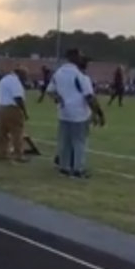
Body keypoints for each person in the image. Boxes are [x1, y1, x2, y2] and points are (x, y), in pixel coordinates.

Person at [47, 49, 105, 178]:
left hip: (63, 113)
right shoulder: (80, 75)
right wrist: (99, 113)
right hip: (79, 114)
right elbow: (89, 97)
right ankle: (79, 169)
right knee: (79, 142)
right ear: (75, 57)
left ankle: (64, 167)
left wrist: (59, 99)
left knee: (65, 142)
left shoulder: (59, 72)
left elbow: (50, 91)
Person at [0, 66, 29, 162]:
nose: (25, 78)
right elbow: (18, 98)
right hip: (12, 109)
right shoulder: (15, 81)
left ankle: (1, 153)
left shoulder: (4, 79)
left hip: (2, 108)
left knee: (3, 133)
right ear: (20, 74)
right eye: (25, 76)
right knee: (17, 132)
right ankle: (18, 154)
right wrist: (25, 112)